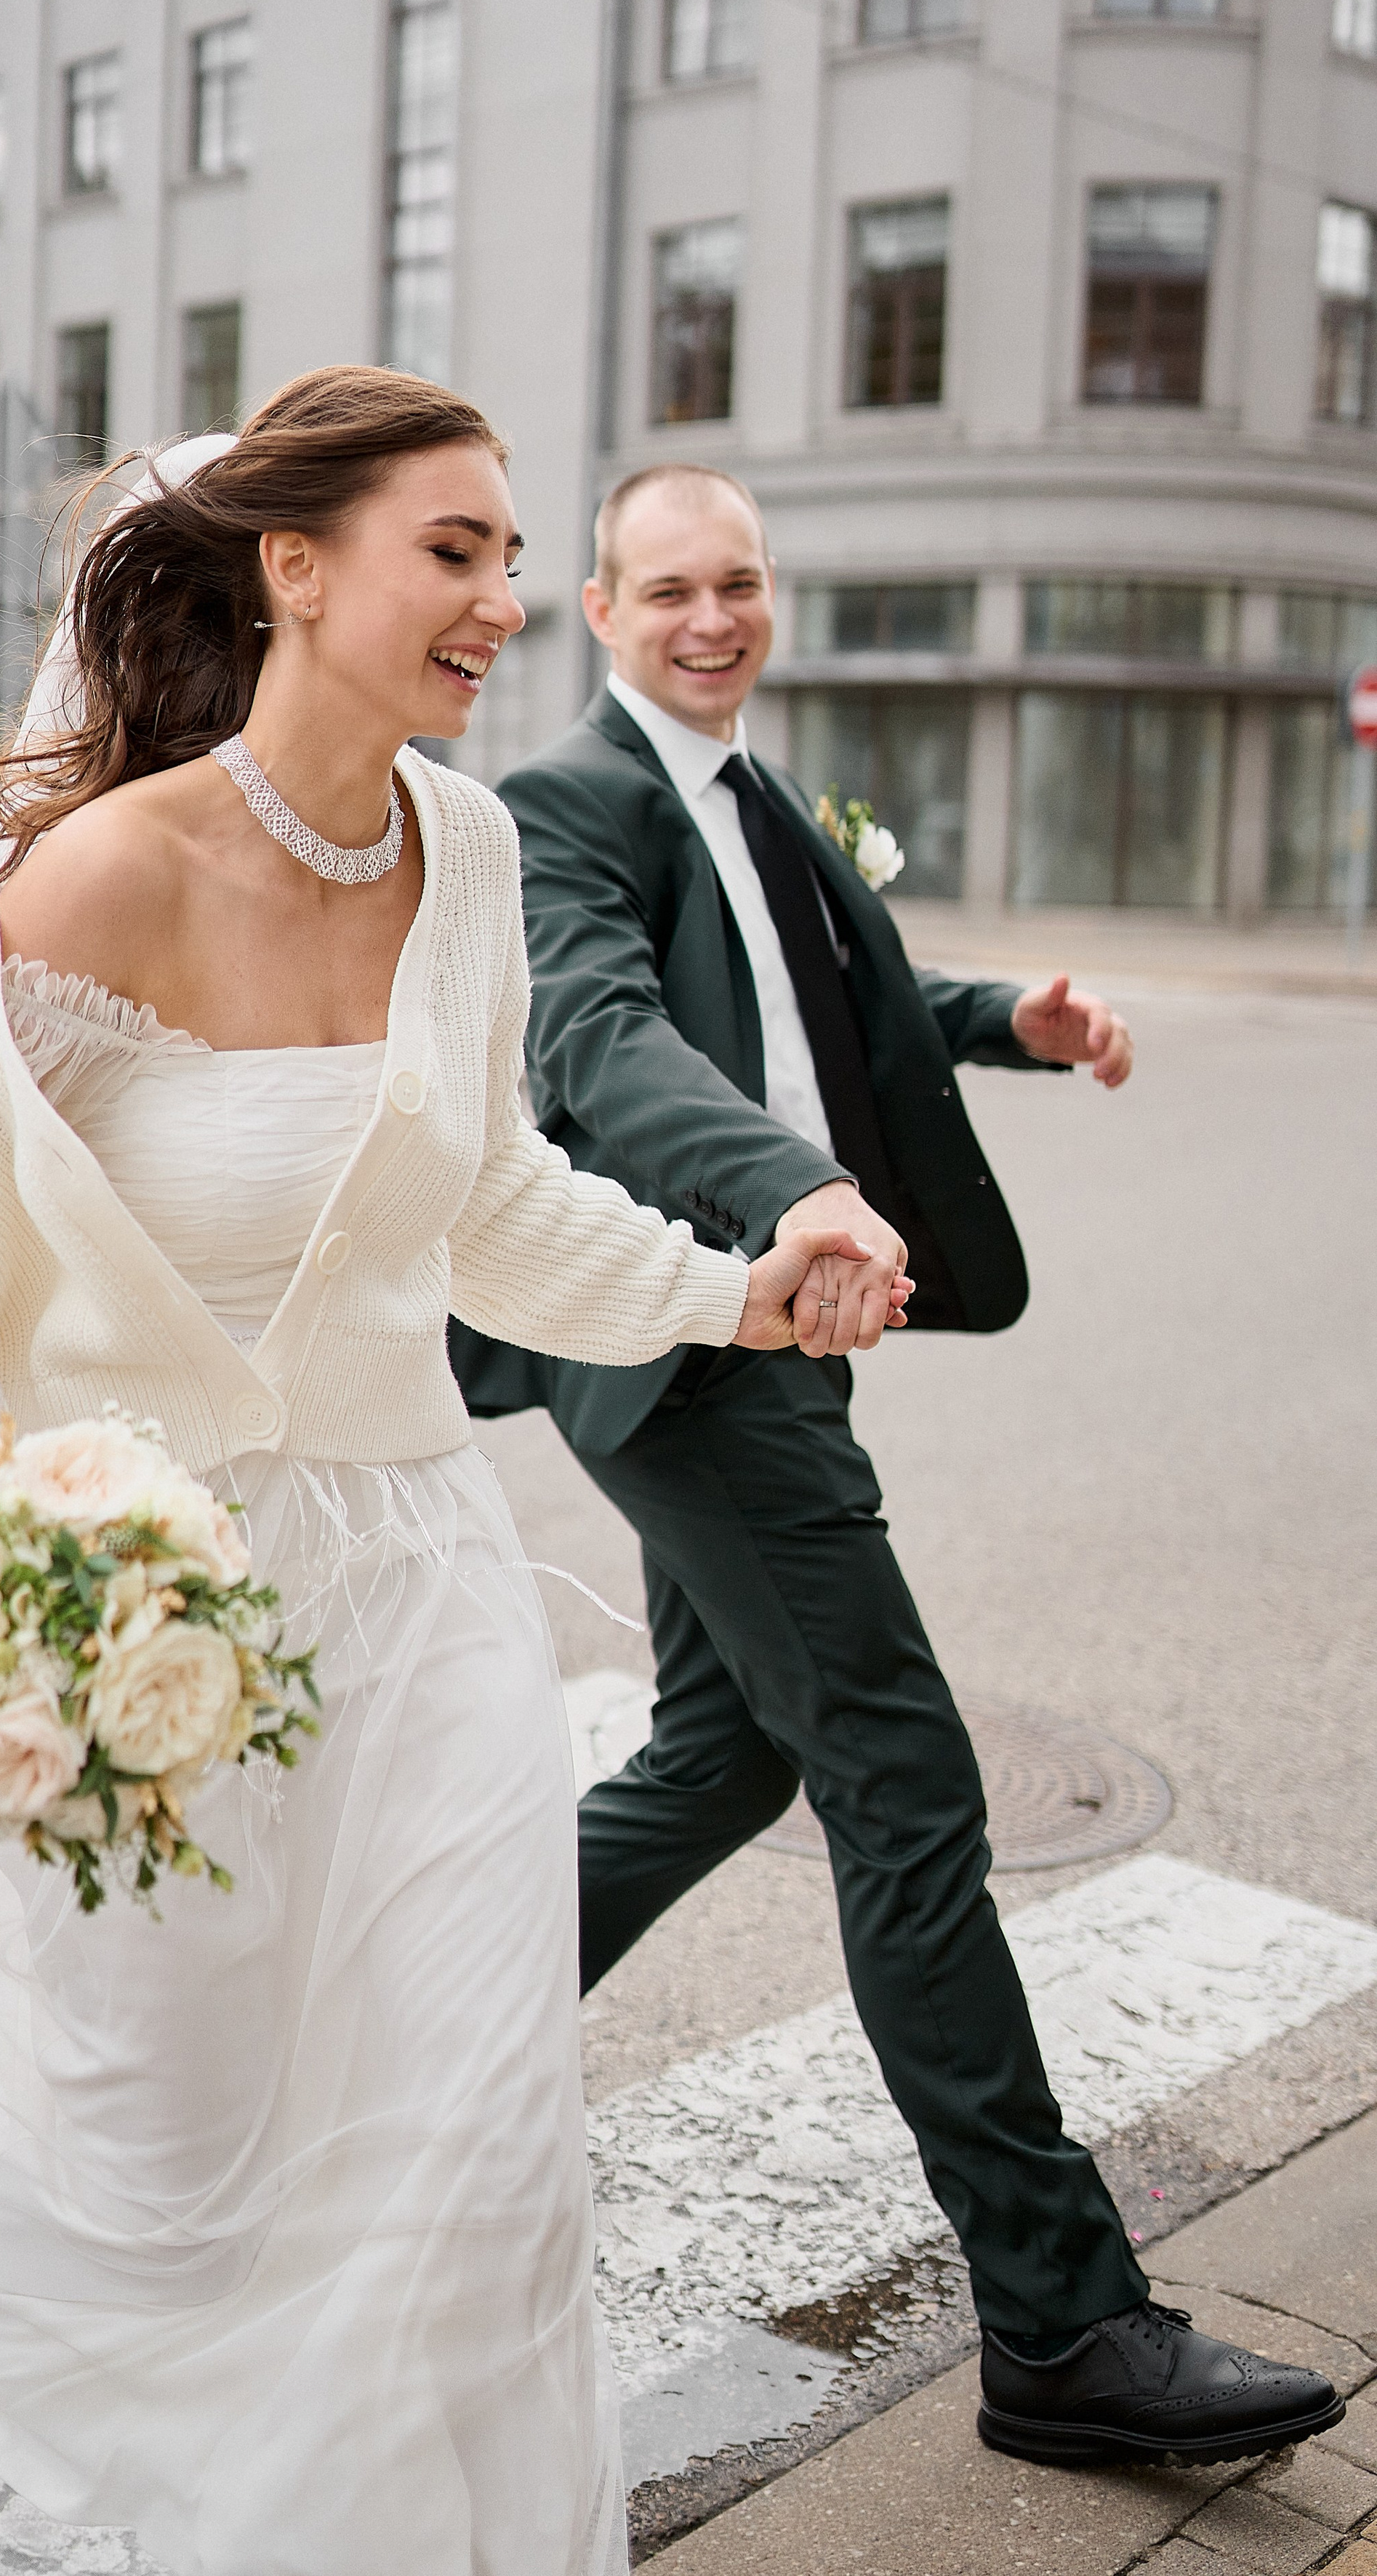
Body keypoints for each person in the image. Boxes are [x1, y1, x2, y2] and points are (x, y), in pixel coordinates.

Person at [0, 375, 899, 2576]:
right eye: (454, 549)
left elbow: (489, 1201)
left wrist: (744, 1283)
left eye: (509, 554)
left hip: (426, 1599)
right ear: (294, 566)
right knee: (160, 2196)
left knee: (462, 2183)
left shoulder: (471, 857)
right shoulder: (98, 887)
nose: (504, 601)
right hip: (155, 1629)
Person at [449, 459, 1345, 2471]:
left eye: (739, 584)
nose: (709, 617)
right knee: (906, 1778)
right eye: (667, 588)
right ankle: (1062, 2321)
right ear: (598, 609)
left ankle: (433, 2034)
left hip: (788, 1325)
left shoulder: (759, 799)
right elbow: (602, 1043)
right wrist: (804, 1198)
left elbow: (804, 1012)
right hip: (704, 1343)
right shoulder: (566, 813)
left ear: (772, 599)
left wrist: (1003, 1016)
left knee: (721, 1754)